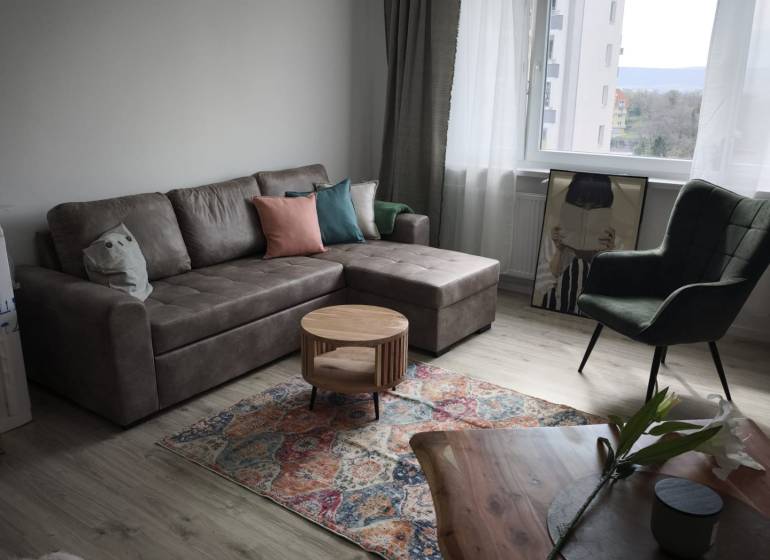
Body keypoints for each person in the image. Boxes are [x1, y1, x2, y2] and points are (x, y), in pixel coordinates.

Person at [535, 173, 621, 314]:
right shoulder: (555, 237)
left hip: (592, 313)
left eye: (596, 207)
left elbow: (611, 294)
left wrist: (604, 256)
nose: (586, 212)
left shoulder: (613, 243)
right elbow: (542, 286)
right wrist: (560, 251)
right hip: (555, 309)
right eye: (580, 205)